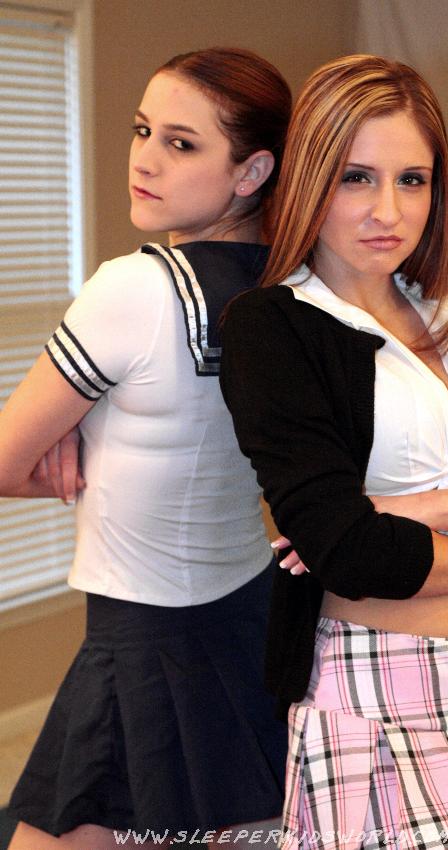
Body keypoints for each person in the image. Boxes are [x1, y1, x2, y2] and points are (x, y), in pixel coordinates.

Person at [219, 54, 448, 849]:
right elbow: (351, 553)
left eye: (412, 180)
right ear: (309, 180)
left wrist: (415, 509)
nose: (388, 210)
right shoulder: (271, 328)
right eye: (356, 179)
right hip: (377, 689)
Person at [0, 47, 291, 850]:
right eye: (142, 131)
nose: (145, 159)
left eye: (181, 143)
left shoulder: (133, 288)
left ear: (251, 170)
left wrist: (72, 451)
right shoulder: (291, 289)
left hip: (144, 641)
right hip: (248, 616)